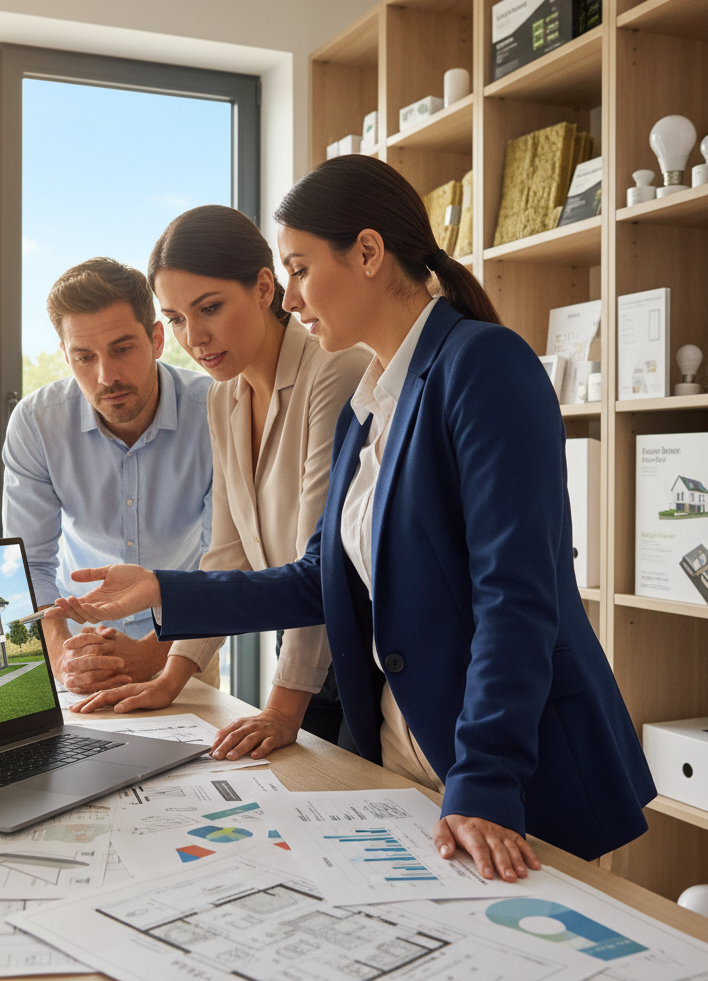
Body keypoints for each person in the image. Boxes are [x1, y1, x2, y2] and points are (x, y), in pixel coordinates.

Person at [45, 156, 657, 881]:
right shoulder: (369, 403)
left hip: (512, 766)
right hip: (410, 747)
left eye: (299, 269)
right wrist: (161, 589)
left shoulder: (484, 365)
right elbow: (320, 582)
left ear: (368, 254)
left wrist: (486, 777)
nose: (292, 297)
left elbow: (516, 598)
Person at [70, 206, 369, 760]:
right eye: (177, 319)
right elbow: (226, 555)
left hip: (367, 652)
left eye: (209, 308)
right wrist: (172, 678)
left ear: (262, 287)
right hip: (303, 650)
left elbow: (322, 571)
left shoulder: (334, 371)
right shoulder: (224, 395)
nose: (195, 337)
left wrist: (281, 709)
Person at [2, 256, 218, 693]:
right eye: (84, 357)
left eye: (122, 349)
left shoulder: (218, 412)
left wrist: (152, 654)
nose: (107, 376)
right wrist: (64, 658)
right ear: (65, 355)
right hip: (80, 648)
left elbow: (220, 564)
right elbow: (32, 563)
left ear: (157, 339)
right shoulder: (36, 423)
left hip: (186, 645)